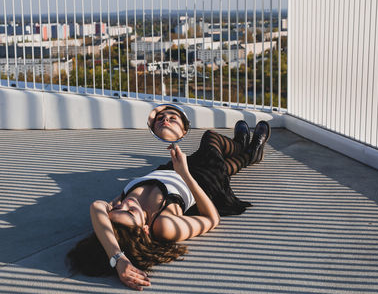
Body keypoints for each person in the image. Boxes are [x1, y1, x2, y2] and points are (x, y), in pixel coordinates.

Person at [67, 119, 271, 291]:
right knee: (211, 141)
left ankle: (243, 145)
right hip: (202, 180)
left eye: (117, 209)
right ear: (145, 229)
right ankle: (248, 150)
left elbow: (97, 206)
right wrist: (184, 173)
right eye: (129, 213)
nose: (125, 204)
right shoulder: (162, 225)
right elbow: (212, 219)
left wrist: (118, 258)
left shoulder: (117, 205)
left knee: (220, 154)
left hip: (170, 169)